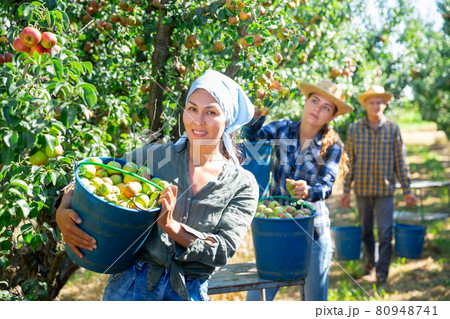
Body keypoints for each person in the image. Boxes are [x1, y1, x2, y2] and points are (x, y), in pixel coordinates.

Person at [56, 69, 259, 301]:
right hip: (130, 287)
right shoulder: (154, 158)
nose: (198, 121)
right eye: (192, 108)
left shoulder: (241, 184)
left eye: (211, 112)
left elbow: (222, 250)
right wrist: (65, 206)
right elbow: (96, 176)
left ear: (227, 121)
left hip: (187, 293)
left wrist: (172, 228)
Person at [244, 80, 353, 301]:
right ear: (305, 101)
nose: (317, 108)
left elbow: (326, 186)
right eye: (315, 101)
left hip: (312, 232)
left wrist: (308, 191)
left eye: (326, 107)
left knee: (315, 302)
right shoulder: (282, 128)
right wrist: (259, 110)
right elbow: (253, 137)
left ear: (332, 117)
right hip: (277, 227)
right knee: (256, 300)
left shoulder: (332, 146)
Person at [339, 85, 417, 284]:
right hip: (363, 190)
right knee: (366, 230)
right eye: (371, 102)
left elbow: (400, 160)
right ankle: (370, 264)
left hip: (385, 191)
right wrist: (346, 190)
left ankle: (382, 271)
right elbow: (350, 161)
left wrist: (407, 190)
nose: (375, 106)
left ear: (384, 104)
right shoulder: (355, 128)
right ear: (365, 104)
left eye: (379, 102)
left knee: (385, 231)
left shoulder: (392, 128)